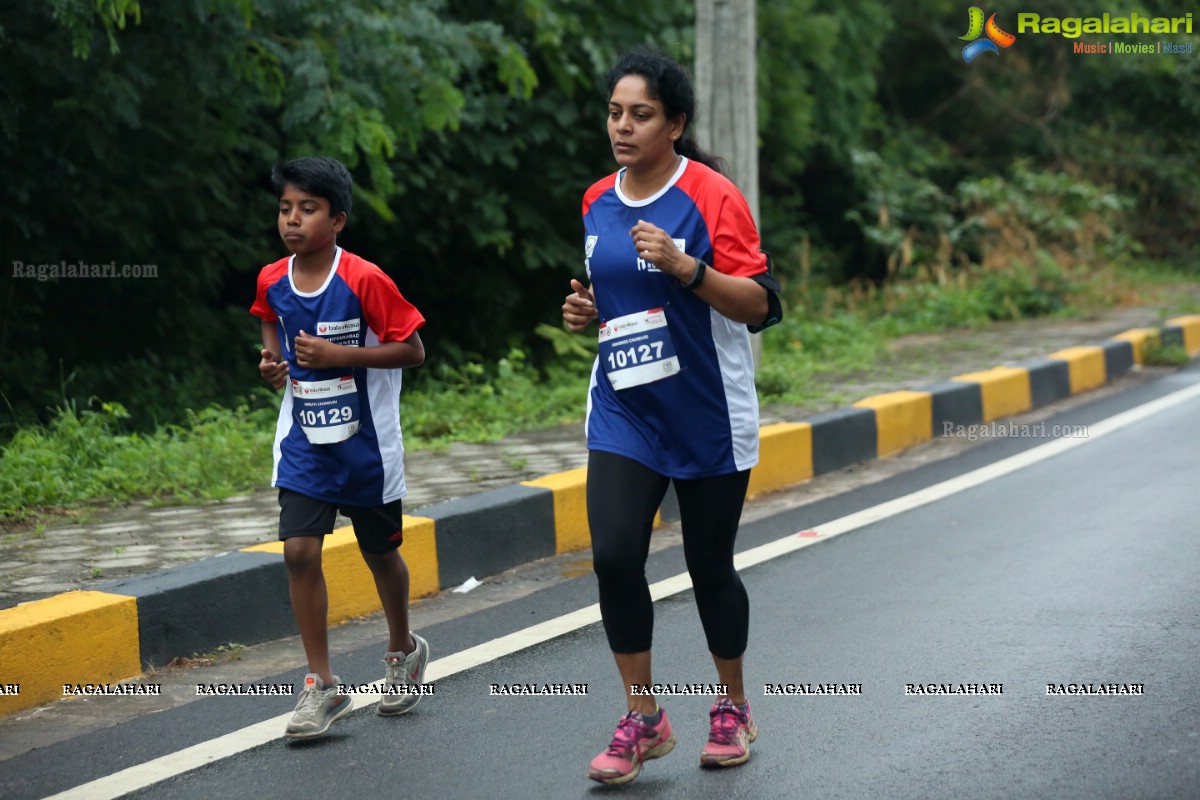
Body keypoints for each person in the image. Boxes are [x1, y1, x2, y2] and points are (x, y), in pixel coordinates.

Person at [561, 46, 782, 784]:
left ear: (676, 123)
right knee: (615, 556)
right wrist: (586, 311)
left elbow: (760, 305)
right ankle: (643, 717)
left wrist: (689, 269)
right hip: (625, 407)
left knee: (708, 567)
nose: (622, 126)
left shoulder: (712, 196)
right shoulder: (597, 199)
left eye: (641, 114)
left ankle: (733, 706)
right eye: (615, 112)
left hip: (707, 411)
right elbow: (617, 296)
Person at [250, 156, 431, 739]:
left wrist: (342, 357)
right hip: (305, 439)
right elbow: (269, 327)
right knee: (299, 551)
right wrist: (272, 364)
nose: (292, 221)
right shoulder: (271, 278)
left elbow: (413, 351)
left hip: (367, 447)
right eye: (285, 209)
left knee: (379, 552)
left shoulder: (364, 280)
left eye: (308, 209)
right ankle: (320, 685)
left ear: (338, 219)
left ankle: (403, 649)